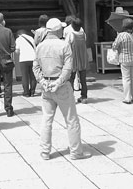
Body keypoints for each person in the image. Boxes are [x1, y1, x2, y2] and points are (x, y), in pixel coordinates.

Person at [33, 18, 90, 161]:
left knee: (46, 119)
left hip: (46, 85)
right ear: (58, 30)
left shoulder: (40, 46)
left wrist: (42, 81)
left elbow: (36, 67)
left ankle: (44, 151)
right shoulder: (64, 45)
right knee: (71, 120)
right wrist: (58, 82)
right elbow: (68, 68)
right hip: (61, 85)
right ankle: (76, 152)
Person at [112, 18, 133, 104]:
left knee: (126, 79)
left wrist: (117, 36)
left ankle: (127, 98)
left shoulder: (121, 35)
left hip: (125, 59)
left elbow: (114, 46)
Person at [65, 17, 89, 104]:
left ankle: (71, 98)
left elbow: (66, 46)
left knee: (71, 79)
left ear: (72, 26)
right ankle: (84, 97)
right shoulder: (83, 34)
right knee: (83, 79)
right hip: (83, 58)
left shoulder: (70, 34)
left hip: (73, 58)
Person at [15, 29, 37, 97]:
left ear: (19, 34)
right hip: (33, 58)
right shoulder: (31, 38)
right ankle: (32, 92)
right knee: (33, 76)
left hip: (24, 59)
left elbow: (17, 50)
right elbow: (35, 48)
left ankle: (26, 92)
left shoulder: (18, 39)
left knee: (25, 76)